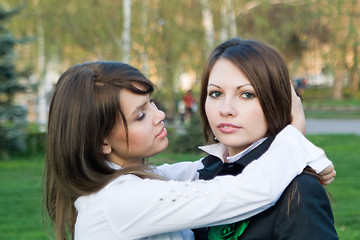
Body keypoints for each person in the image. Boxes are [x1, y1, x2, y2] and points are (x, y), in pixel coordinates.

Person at [43, 61, 334, 240]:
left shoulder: (138, 180)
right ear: (101, 142)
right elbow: (251, 189)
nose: (159, 115)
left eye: (151, 103)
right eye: (140, 115)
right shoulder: (118, 201)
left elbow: (210, 168)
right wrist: (293, 134)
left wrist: (305, 154)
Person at [193, 38, 338, 239]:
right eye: (216, 93)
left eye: (246, 95)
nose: (225, 109)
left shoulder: (298, 191)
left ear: (277, 101)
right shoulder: (203, 174)